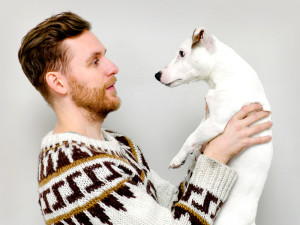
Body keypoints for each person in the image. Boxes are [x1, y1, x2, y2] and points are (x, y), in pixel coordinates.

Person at [18, 12, 272, 225]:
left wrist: (208, 146)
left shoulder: (118, 145)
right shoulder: (76, 175)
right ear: (57, 82)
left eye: (104, 55)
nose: (112, 66)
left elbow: (176, 209)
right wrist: (216, 156)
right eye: (95, 62)